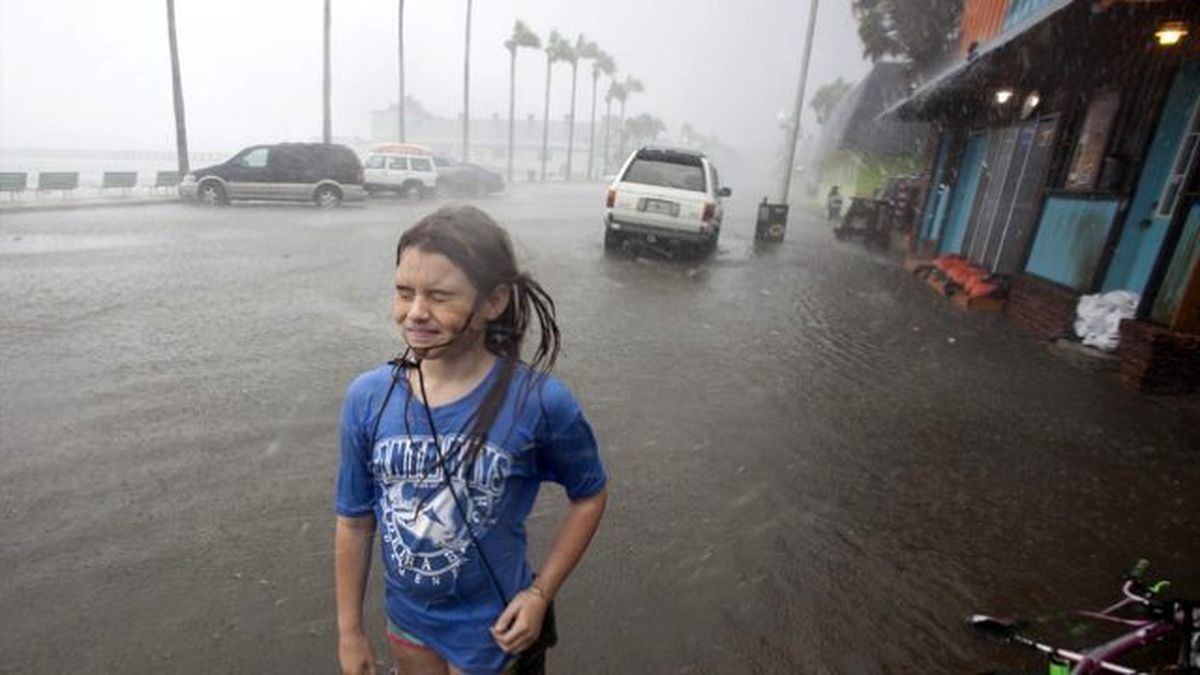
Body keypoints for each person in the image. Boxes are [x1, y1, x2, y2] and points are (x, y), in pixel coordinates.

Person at [334, 205, 608, 675]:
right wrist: (350, 632)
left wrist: (540, 593)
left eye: (440, 296)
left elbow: (590, 495)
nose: (416, 313)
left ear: (493, 301)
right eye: (404, 292)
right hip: (409, 625)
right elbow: (355, 522)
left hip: (497, 631)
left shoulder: (541, 403)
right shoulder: (369, 398)